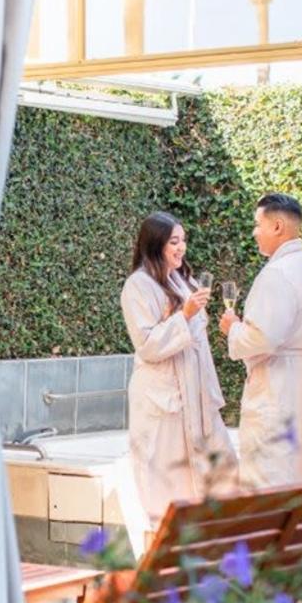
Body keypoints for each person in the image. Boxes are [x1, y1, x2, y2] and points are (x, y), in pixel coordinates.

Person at [121, 211, 237, 539]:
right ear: (156, 244)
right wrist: (184, 316)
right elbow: (146, 345)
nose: (182, 247)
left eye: (184, 240)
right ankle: (166, 548)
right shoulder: (137, 286)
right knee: (166, 479)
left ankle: (210, 542)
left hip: (194, 393)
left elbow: (197, 341)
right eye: (174, 241)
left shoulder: (183, 281)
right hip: (163, 398)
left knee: (220, 471)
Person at [220, 193, 302, 487]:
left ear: (277, 226)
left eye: (258, 224)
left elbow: (262, 338)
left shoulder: (277, 274)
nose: (254, 232)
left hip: (279, 386)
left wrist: (233, 327)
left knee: (271, 474)